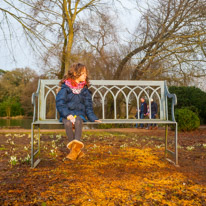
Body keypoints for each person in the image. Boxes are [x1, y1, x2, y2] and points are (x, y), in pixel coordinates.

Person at [56, 63, 101, 160]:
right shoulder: (65, 88)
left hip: (79, 115)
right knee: (68, 124)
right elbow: (60, 103)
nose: (86, 75)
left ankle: (73, 152)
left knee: (78, 121)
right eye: (83, 73)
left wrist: (93, 118)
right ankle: (76, 151)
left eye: (86, 73)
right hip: (66, 114)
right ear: (76, 73)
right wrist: (67, 115)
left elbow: (88, 106)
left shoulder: (85, 90)